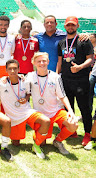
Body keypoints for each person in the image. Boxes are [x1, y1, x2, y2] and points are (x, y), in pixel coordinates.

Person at [0, 59, 50, 159]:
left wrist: (26, 98)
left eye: (15, 68)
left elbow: (28, 92)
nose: (12, 71)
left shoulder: (25, 81)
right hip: (13, 118)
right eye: (10, 69)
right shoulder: (1, 84)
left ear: (19, 69)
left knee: (46, 121)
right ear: (6, 70)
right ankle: (16, 137)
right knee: (15, 143)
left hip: (26, 112)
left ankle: (36, 145)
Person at [26, 52, 78, 154]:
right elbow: (26, 92)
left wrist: (71, 111)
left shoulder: (55, 77)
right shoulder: (30, 76)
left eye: (44, 61)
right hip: (41, 115)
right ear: (34, 63)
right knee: (41, 142)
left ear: (48, 62)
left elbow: (62, 96)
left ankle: (58, 141)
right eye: (39, 61)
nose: (42, 63)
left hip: (56, 111)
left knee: (73, 124)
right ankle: (39, 135)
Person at [56, 16, 94, 146]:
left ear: (77, 26)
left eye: (73, 25)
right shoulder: (61, 42)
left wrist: (80, 67)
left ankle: (87, 133)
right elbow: (60, 61)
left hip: (81, 80)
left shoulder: (84, 41)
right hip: (66, 80)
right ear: (65, 26)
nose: (70, 27)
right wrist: (57, 76)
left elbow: (91, 59)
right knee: (68, 107)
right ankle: (72, 130)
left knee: (84, 108)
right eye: (68, 25)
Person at [88, 33, 96, 118]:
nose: (90, 38)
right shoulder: (89, 47)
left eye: (92, 37)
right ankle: (88, 114)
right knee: (88, 95)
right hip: (93, 73)